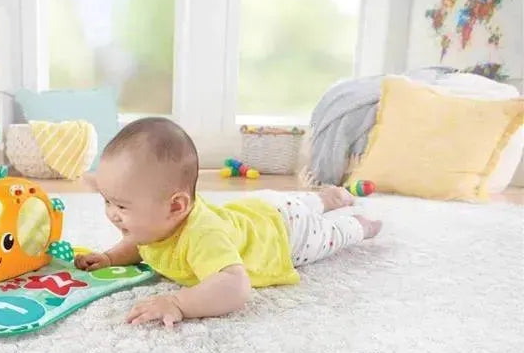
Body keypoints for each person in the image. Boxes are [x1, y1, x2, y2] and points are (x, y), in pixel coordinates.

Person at [75, 117, 382, 328]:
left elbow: (235, 286)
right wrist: (110, 257)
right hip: (260, 209)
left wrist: (178, 302)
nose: (112, 213)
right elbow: (140, 243)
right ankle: (328, 198)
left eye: (121, 205)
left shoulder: (202, 236)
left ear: (176, 206)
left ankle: (359, 225)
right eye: (107, 201)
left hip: (286, 234)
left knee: (328, 234)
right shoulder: (155, 224)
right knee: (301, 202)